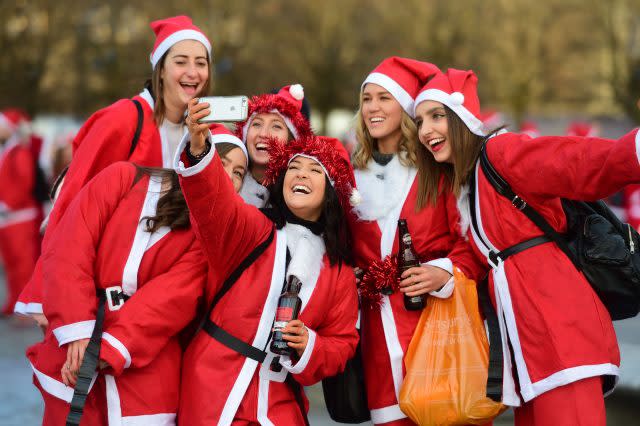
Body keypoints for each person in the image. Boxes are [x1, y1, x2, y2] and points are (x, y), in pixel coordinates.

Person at [412, 67, 639, 426]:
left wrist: (634, 151)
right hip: (529, 353)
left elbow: (575, 162)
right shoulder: (467, 184)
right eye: (420, 121)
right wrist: (444, 270)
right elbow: (480, 253)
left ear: (462, 117)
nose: (426, 131)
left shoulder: (501, 152)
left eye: (437, 116)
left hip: (562, 339)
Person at [27, 125, 247, 426]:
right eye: (222, 164)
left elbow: (171, 300)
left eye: (239, 173)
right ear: (191, 157)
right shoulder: (122, 177)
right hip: (72, 348)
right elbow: (70, 247)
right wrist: (76, 331)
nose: (231, 179)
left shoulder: (208, 239)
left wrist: (107, 349)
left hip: (143, 364)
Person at [14, 15, 212, 322]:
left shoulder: (200, 133)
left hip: (158, 302)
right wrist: (49, 293)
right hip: (102, 294)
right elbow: (72, 201)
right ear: (160, 70)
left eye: (201, 63)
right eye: (181, 61)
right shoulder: (123, 120)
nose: (192, 72)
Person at [174, 99, 359, 425]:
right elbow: (213, 205)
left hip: (279, 401)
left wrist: (310, 345)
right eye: (295, 168)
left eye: (315, 170)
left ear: (330, 192)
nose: (301, 174)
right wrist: (200, 150)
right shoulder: (253, 227)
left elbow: (343, 343)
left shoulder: (338, 270)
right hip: (213, 386)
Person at [348, 57, 486, 425]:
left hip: (439, 330)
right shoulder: (348, 175)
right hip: (379, 338)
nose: (373, 108)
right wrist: (350, 278)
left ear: (405, 106)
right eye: (367, 99)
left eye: (384, 98)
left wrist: (443, 273)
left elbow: (474, 242)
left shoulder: (437, 172)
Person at [236, 84, 312, 207]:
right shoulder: (227, 178)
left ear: (292, 141)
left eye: (276, 126)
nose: (263, 134)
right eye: (256, 124)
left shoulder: (303, 193)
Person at [0, 108, 41, 316]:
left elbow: (25, 183)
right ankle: (14, 303)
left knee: (23, 264)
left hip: (19, 217)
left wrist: (8, 203)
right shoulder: (8, 150)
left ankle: (25, 308)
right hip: (8, 218)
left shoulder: (18, 151)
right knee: (11, 264)